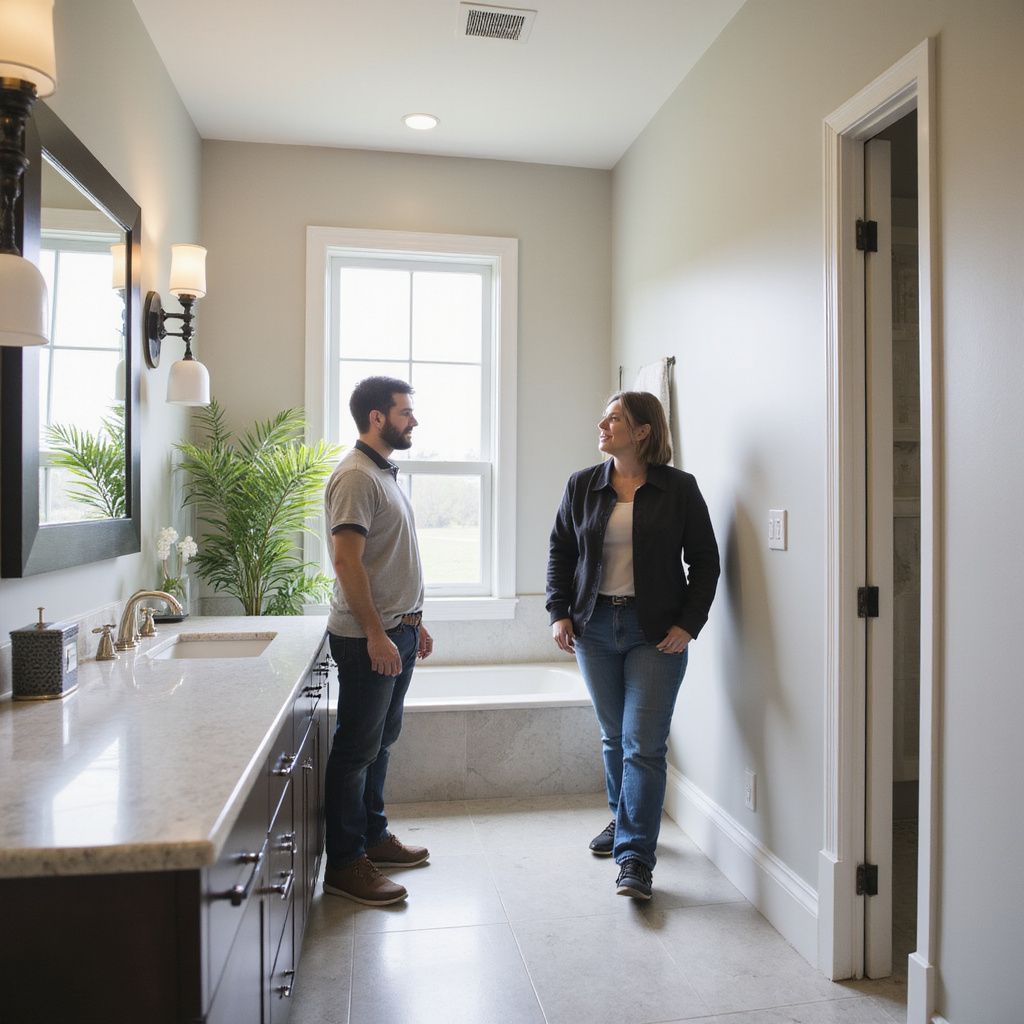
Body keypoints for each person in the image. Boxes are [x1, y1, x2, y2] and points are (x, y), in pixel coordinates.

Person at [546, 391, 720, 900]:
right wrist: (559, 612)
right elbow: (561, 550)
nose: (602, 423)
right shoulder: (583, 485)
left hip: (655, 633)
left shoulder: (679, 489)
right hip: (593, 628)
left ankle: (635, 858)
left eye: (615, 418)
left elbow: (705, 562)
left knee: (643, 744)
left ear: (642, 431)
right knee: (614, 735)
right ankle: (622, 820)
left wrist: (689, 624)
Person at [322, 376, 434, 906]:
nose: (413, 420)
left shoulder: (383, 473)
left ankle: (373, 837)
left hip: (398, 630)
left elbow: (388, 559)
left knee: (380, 742)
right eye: (405, 412)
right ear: (376, 418)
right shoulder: (355, 477)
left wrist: (413, 621)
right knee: (356, 749)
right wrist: (376, 633)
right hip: (372, 637)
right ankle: (345, 864)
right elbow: (346, 562)